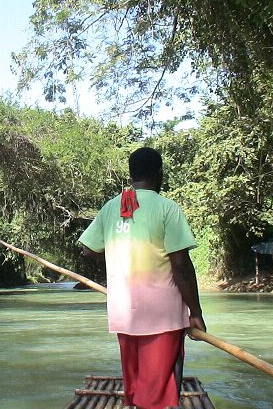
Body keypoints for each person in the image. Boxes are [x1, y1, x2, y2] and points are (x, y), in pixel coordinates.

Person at [78, 147, 206, 409]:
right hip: (162, 316)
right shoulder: (167, 208)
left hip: (124, 314)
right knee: (158, 391)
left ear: (131, 174)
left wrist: (118, 252)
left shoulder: (112, 207)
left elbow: (88, 249)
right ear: (159, 173)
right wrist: (196, 312)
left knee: (136, 386)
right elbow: (181, 265)